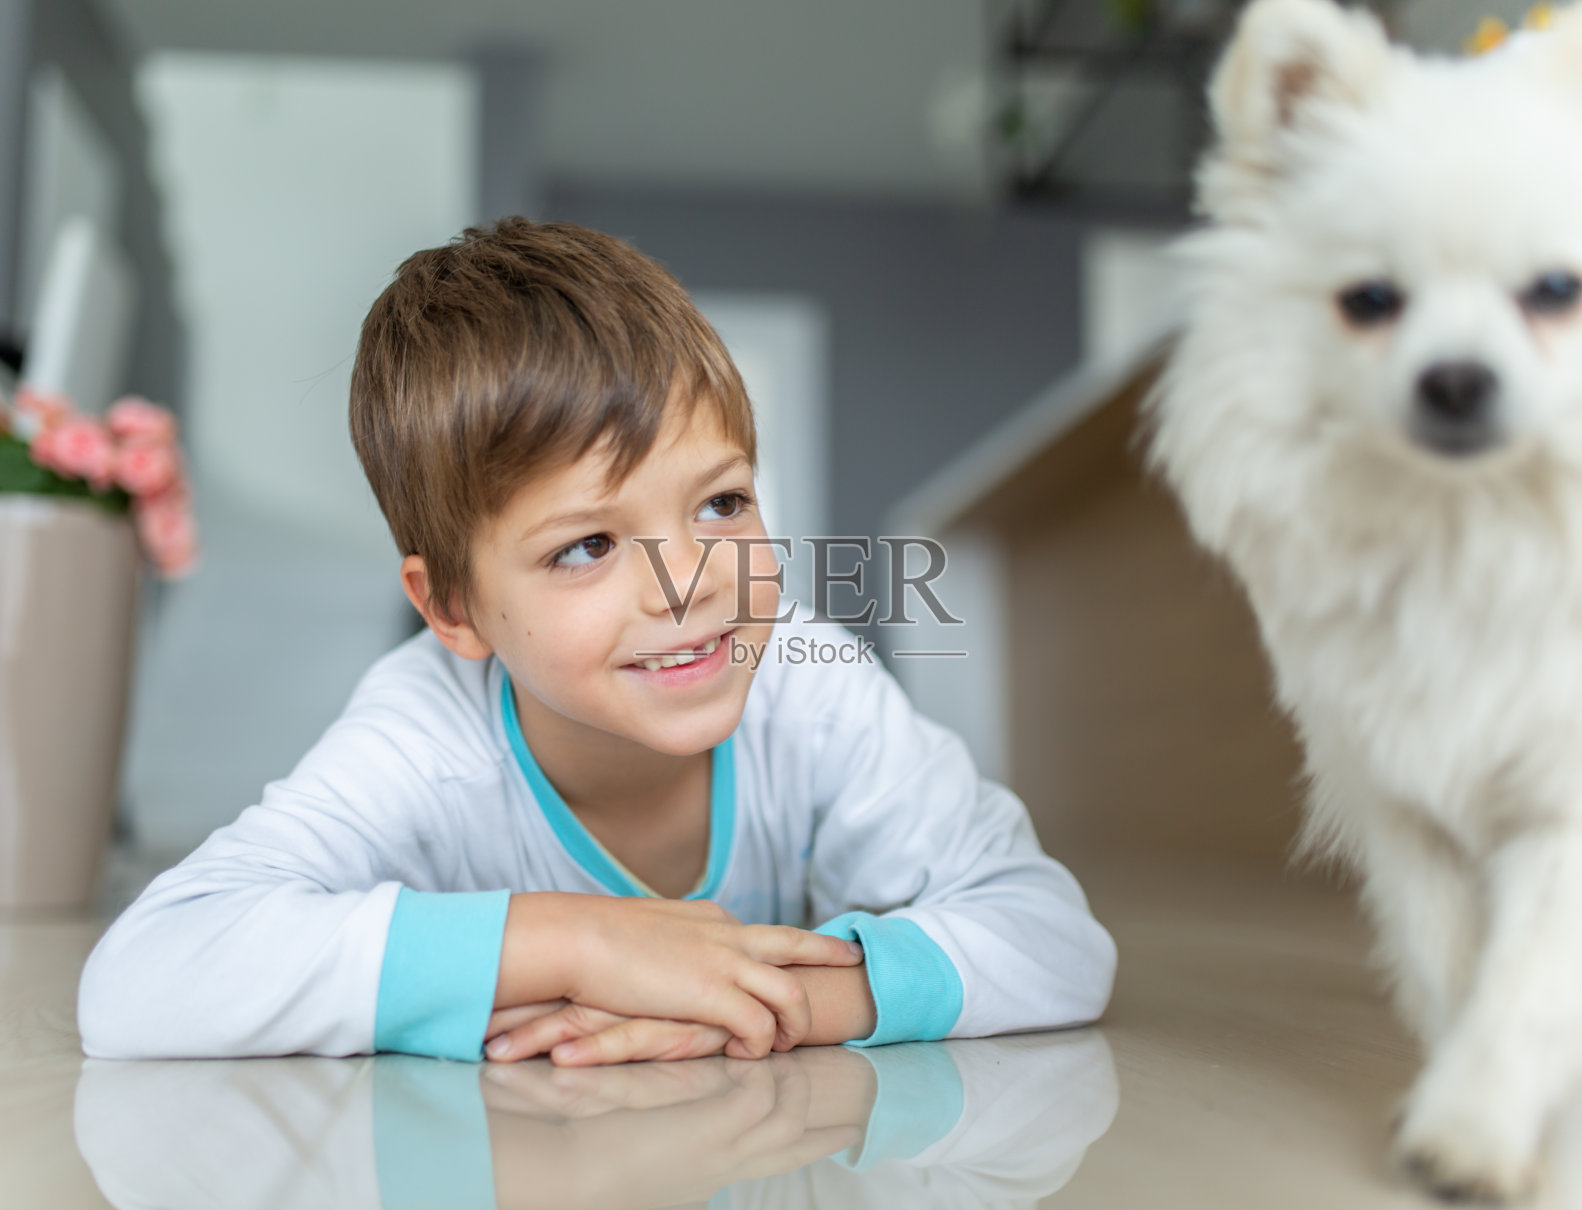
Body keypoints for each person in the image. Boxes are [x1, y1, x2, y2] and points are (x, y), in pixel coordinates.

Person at [77, 218, 1116, 1066]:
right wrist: (580, 943)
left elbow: (1055, 937)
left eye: (719, 503)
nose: (691, 579)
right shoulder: (425, 735)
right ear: (452, 611)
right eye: (584, 546)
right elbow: (144, 975)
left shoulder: (814, 692)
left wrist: (762, 999)